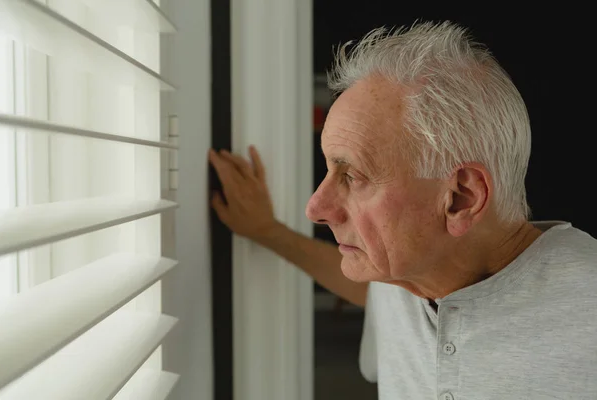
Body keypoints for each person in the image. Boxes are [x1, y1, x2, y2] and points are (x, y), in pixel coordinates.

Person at [209, 21, 597, 400]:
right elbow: (367, 290)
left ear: (460, 198)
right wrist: (266, 231)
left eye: (353, 176)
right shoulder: (408, 273)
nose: (316, 208)